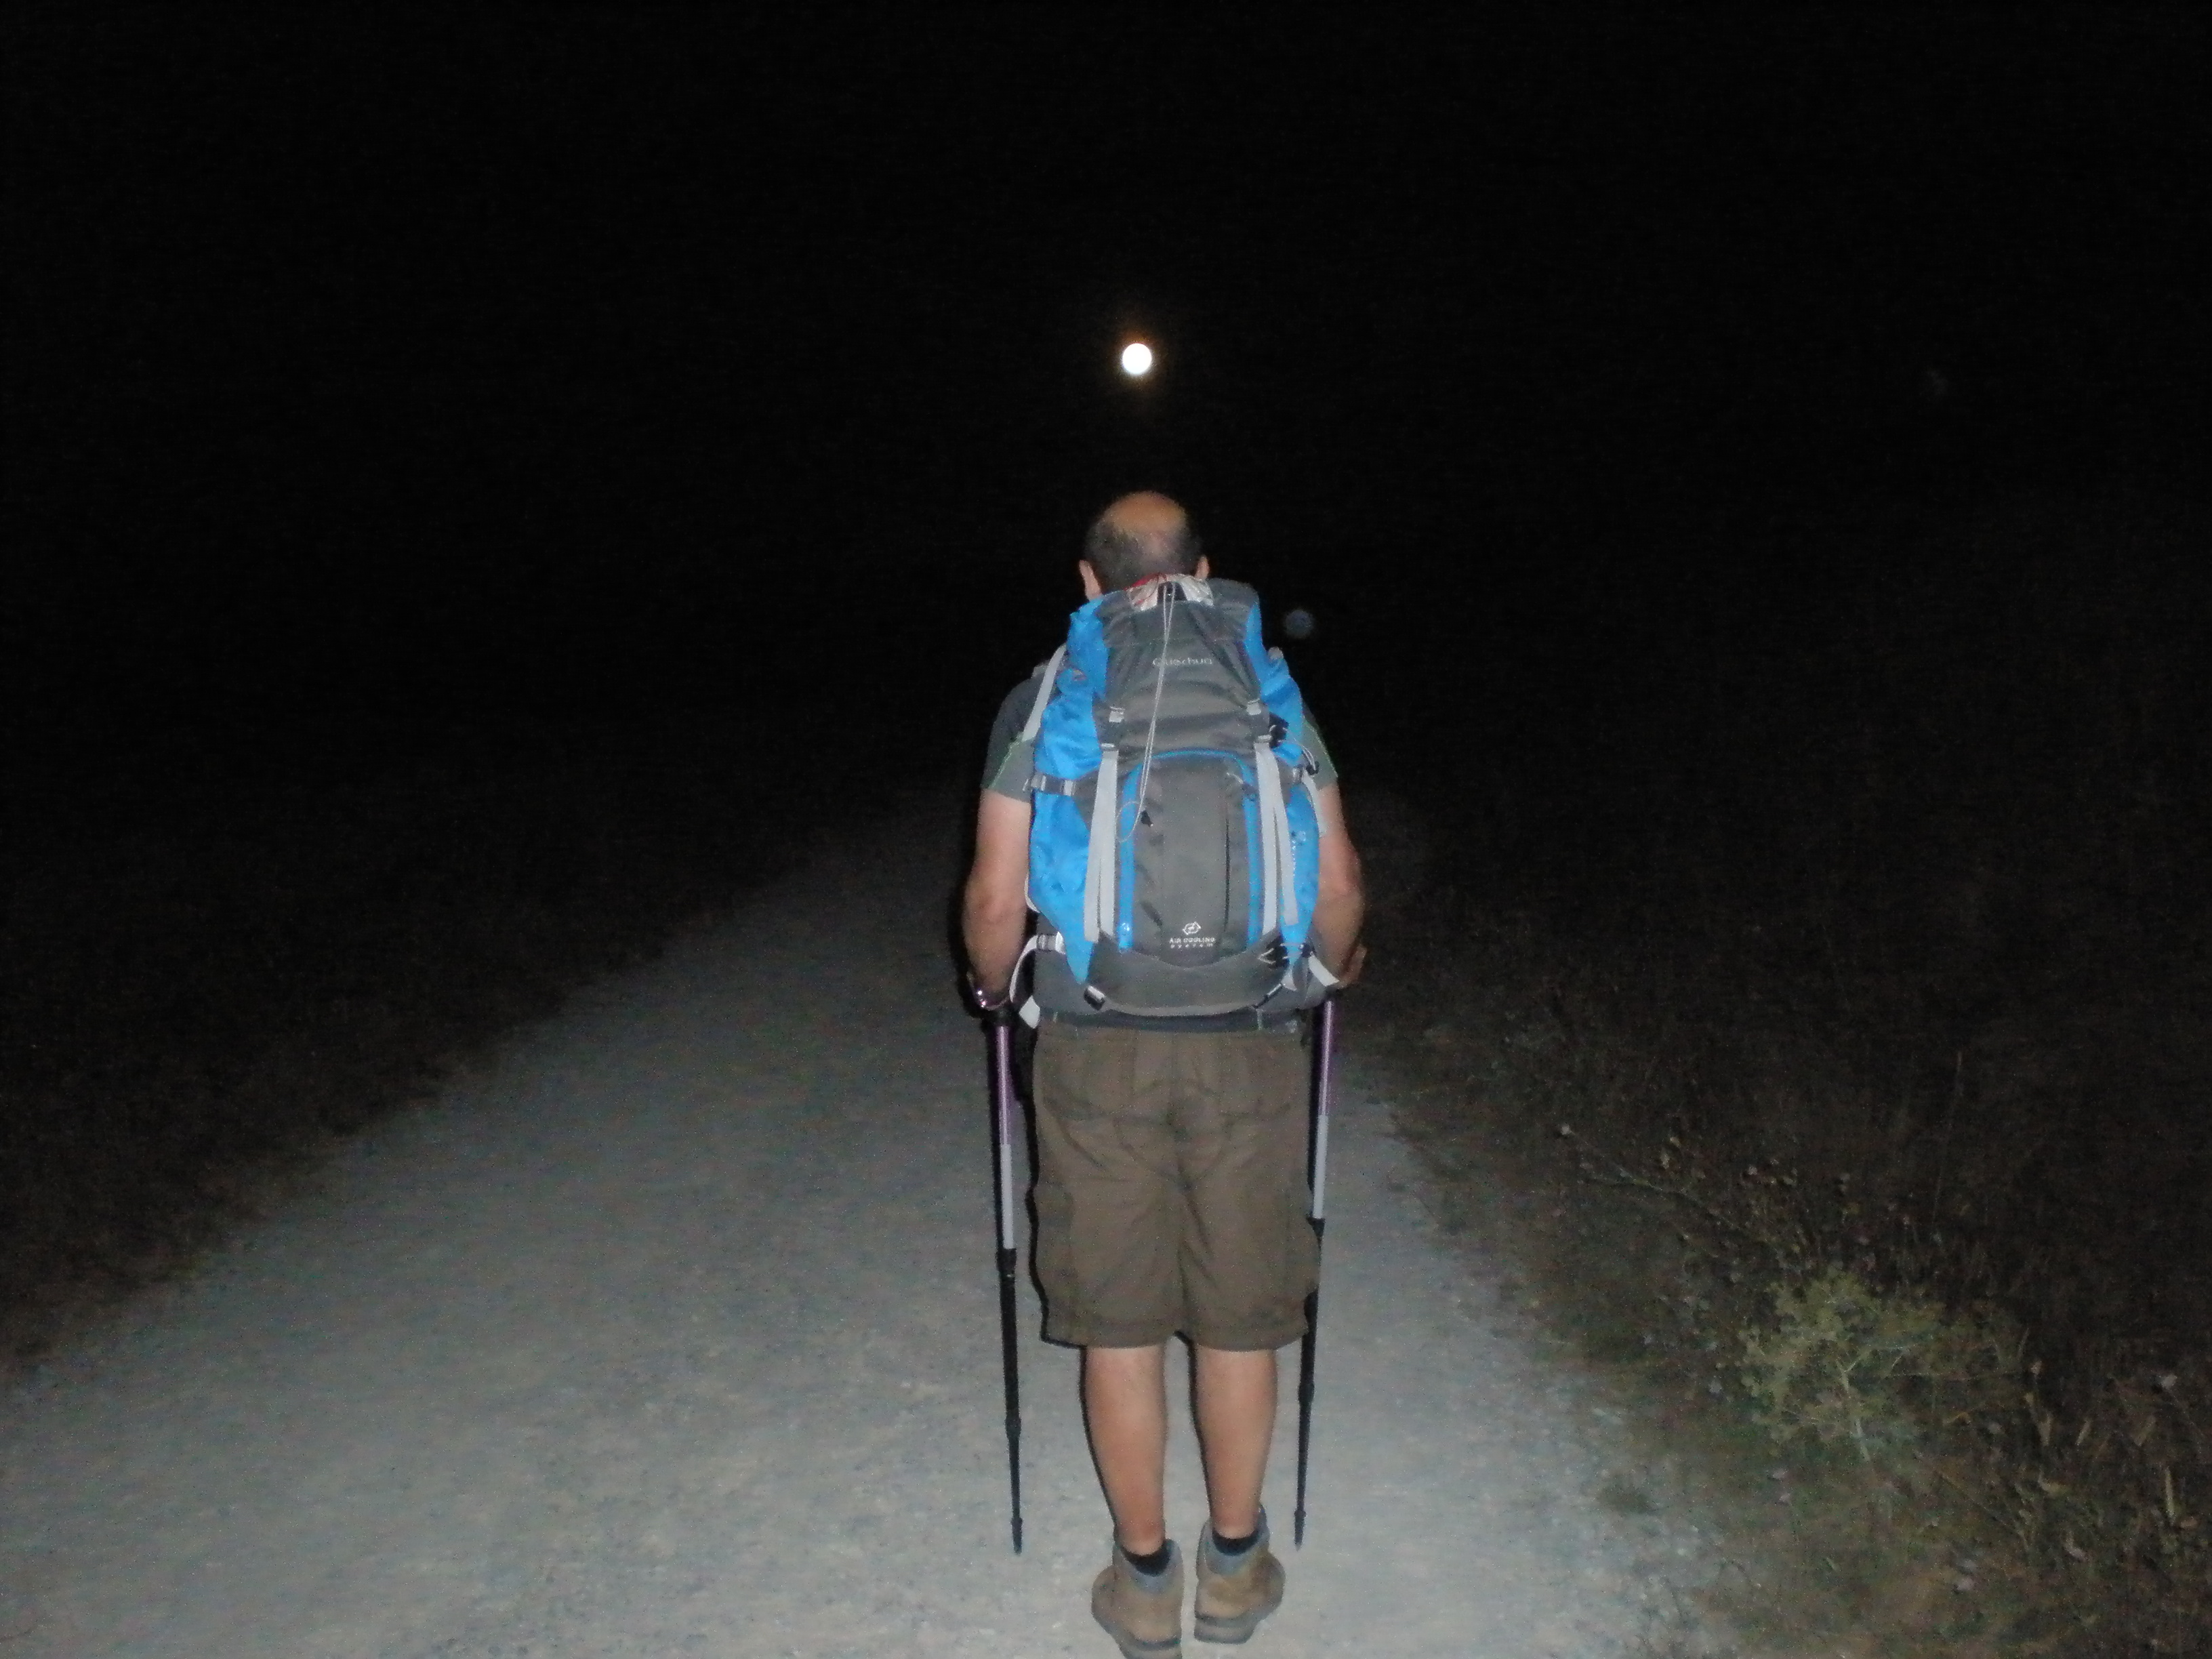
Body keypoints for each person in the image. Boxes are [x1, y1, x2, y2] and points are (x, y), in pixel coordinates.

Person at [962, 491, 1366, 1658]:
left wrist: (997, 994)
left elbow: (994, 901)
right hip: (1250, 1039)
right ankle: (1236, 1569)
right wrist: (1332, 973)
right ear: (1202, 570)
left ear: (1090, 587)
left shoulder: (1048, 697)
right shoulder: (1265, 691)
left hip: (1097, 1048)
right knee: (1240, 1318)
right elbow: (1335, 888)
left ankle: (1144, 1582)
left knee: (1120, 1325)